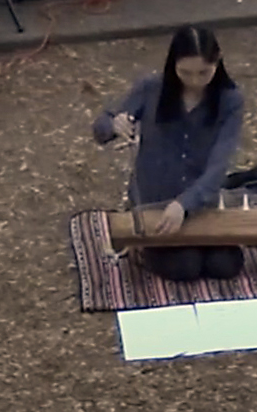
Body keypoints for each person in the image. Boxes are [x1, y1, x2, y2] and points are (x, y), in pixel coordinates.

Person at [92, 25, 246, 283]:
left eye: (204, 73)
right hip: (155, 200)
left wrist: (184, 204)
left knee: (226, 266)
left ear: (218, 63)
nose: (195, 81)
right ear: (172, 63)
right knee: (186, 267)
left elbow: (219, 165)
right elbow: (100, 129)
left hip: (199, 202)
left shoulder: (231, 99)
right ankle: (143, 251)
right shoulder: (151, 88)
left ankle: (176, 244)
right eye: (185, 72)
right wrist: (114, 124)